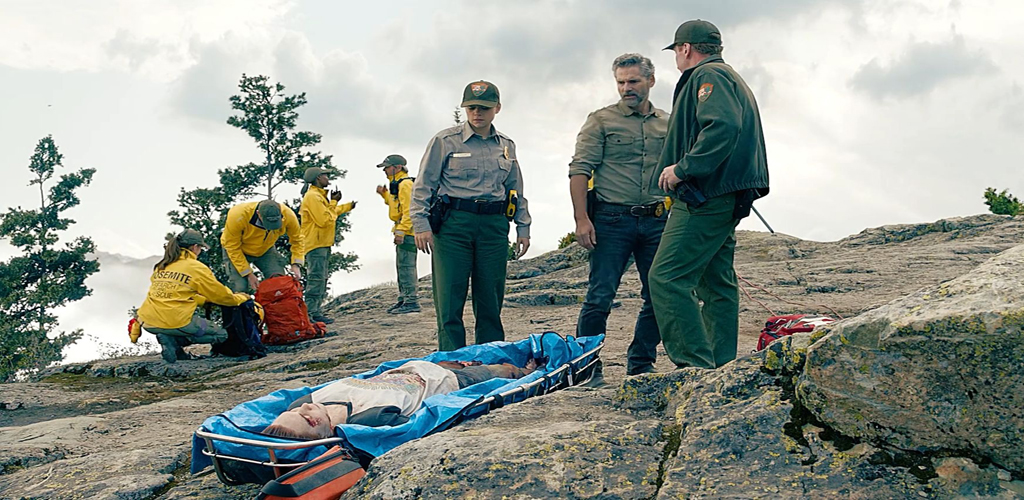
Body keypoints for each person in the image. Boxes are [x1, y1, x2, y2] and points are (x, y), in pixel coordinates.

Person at [650, 20, 770, 370]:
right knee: (716, 283)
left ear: (685, 48)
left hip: (705, 196)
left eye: (675, 50)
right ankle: (720, 368)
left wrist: (683, 169)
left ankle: (694, 368)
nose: (676, 56)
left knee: (667, 278)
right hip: (726, 195)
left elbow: (722, 127)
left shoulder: (709, 77)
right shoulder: (729, 76)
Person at [569, 53, 670, 384]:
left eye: (634, 81)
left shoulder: (669, 123)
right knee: (600, 297)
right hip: (611, 218)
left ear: (650, 81)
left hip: (656, 219)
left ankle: (641, 361)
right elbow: (580, 170)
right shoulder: (601, 121)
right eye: (621, 82)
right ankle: (587, 368)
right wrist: (582, 220)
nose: (627, 88)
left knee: (659, 294)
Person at [410, 81, 532, 351]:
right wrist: (420, 224)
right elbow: (423, 185)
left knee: (490, 296)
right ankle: (451, 362)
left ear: (497, 109)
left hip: (494, 225)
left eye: (485, 108)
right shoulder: (445, 141)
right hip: (454, 224)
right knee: (450, 297)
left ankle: (490, 358)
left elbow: (515, 189)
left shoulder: (506, 146)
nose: (478, 113)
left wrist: (523, 227)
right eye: (472, 107)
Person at [263, 358, 540, 439]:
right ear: (314, 424)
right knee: (502, 371)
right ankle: (528, 371)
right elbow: (419, 422)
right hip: (447, 382)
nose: (305, 405)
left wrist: (292, 415)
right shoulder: (368, 419)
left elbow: (293, 411)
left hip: (414, 368)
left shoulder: (316, 401)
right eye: (304, 413)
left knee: (461, 361)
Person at [136, 229, 251, 363]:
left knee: (175, 323)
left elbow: (174, 293)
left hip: (148, 321)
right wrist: (242, 298)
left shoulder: (163, 265)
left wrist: (203, 301)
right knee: (221, 334)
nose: (200, 251)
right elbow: (222, 297)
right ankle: (176, 341)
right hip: (176, 321)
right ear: (195, 247)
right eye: (201, 248)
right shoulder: (196, 267)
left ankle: (171, 342)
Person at [299, 166, 356, 324]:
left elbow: (329, 213)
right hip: (315, 243)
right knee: (316, 278)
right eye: (325, 175)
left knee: (321, 278)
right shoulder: (313, 197)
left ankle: (315, 311)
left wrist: (346, 206)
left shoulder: (317, 196)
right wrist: (333, 202)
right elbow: (324, 220)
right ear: (318, 178)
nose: (328, 178)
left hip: (321, 242)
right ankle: (310, 313)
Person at [221, 199, 305, 293]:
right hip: (237, 250)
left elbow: (297, 240)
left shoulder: (288, 215)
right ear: (258, 214)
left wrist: (296, 264)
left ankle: (276, 307)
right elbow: (232, 247)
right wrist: (248, 274)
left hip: (266, 249)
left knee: (280, 283)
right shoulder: (238, 215)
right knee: (239, 288)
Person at [375, 154, 420, 314]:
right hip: (403, 228)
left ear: (398, 167)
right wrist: (384, 195)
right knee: (402, 265)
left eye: (387, 167)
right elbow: (396, 204)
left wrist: (402, 230)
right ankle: (404, 298)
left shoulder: (405, 184)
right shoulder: (398, 184)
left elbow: (409, 210)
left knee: (407, 266)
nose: (385, 170)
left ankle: (411, 301)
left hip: (407, 231)